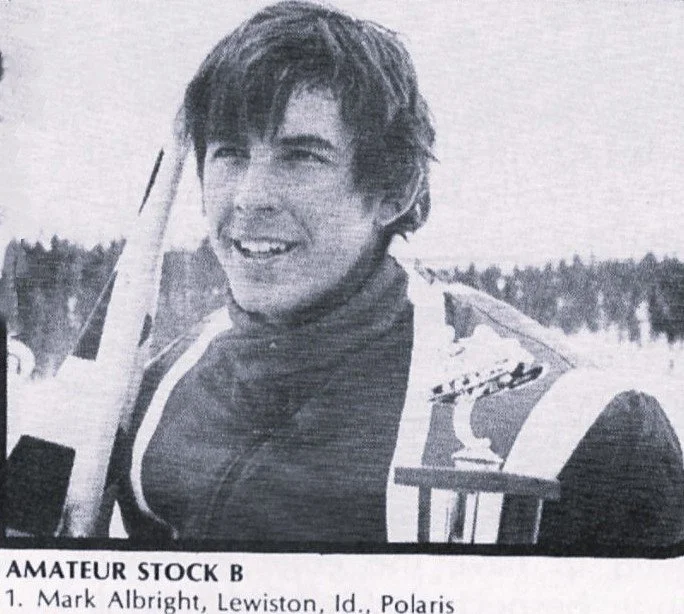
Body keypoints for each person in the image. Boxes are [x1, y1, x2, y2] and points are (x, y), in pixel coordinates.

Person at [9, 0, 684, 547]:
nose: (249, 198)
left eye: (301, 156)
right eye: (230, 153)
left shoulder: (579, 429)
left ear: (392, 188)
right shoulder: (156, 396)